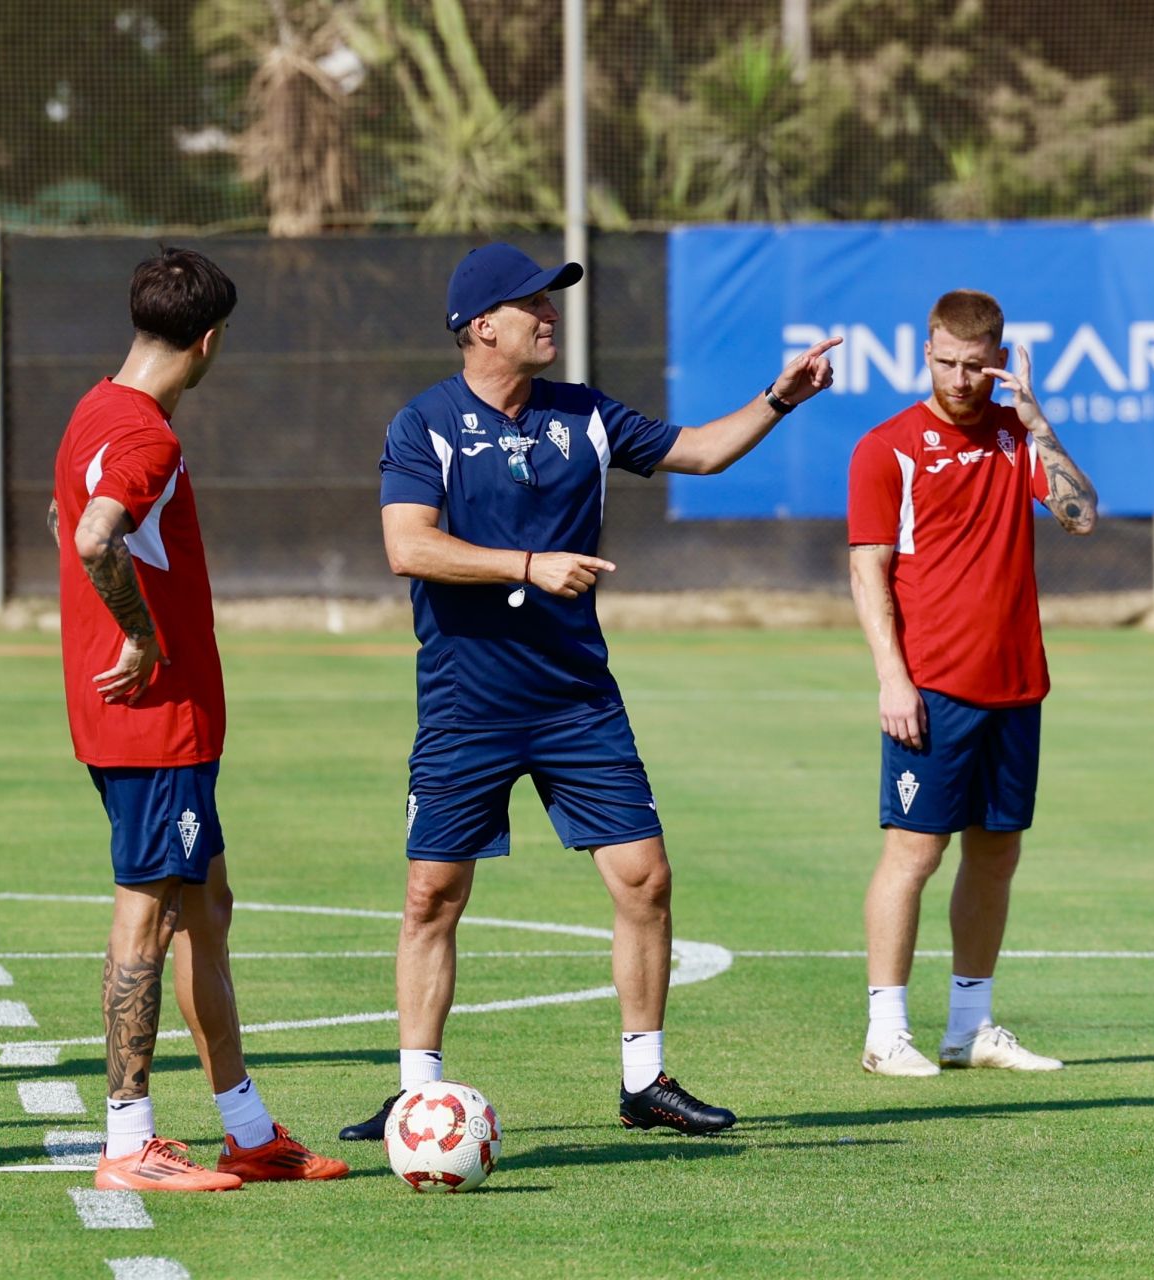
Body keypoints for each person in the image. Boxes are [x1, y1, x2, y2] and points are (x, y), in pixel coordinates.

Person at [342, 243, 839, 1143]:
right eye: (533, 302)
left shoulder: (586, 414)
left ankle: (644, 1083)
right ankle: (417, 1093)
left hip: (577, 702)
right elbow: (408, 546)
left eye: (552, 299)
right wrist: (527, 565)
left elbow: (701, 452)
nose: (551, 314)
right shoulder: (425, 424)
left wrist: (779, 400)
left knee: (645, 880)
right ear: (480, 325)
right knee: (431, 895)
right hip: (467, 704)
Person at [50, 247, 349, 1192]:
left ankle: (247, 1130)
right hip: (154, 722)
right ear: (208, 341)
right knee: (148, 920)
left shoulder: (96, 407)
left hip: (160, 725)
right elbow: (99, 534)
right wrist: (139, 636)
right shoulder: (147, 438)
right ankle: (128, 1142)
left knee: (205, 911)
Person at [848, 289, 1096, 1077]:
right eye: (945, 362)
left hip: (1018, 685)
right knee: (913, 855)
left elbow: (1080, 514)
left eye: (973, 366)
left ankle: (969, 1028)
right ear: (926, 351)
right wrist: (894, 678)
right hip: (933, 690)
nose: (959, 379)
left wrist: (1037, 423)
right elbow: (867, 570)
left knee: (995, 857)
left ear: (997, 360)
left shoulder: (1014, 438)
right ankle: (886, 1032)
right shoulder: (887, 447)